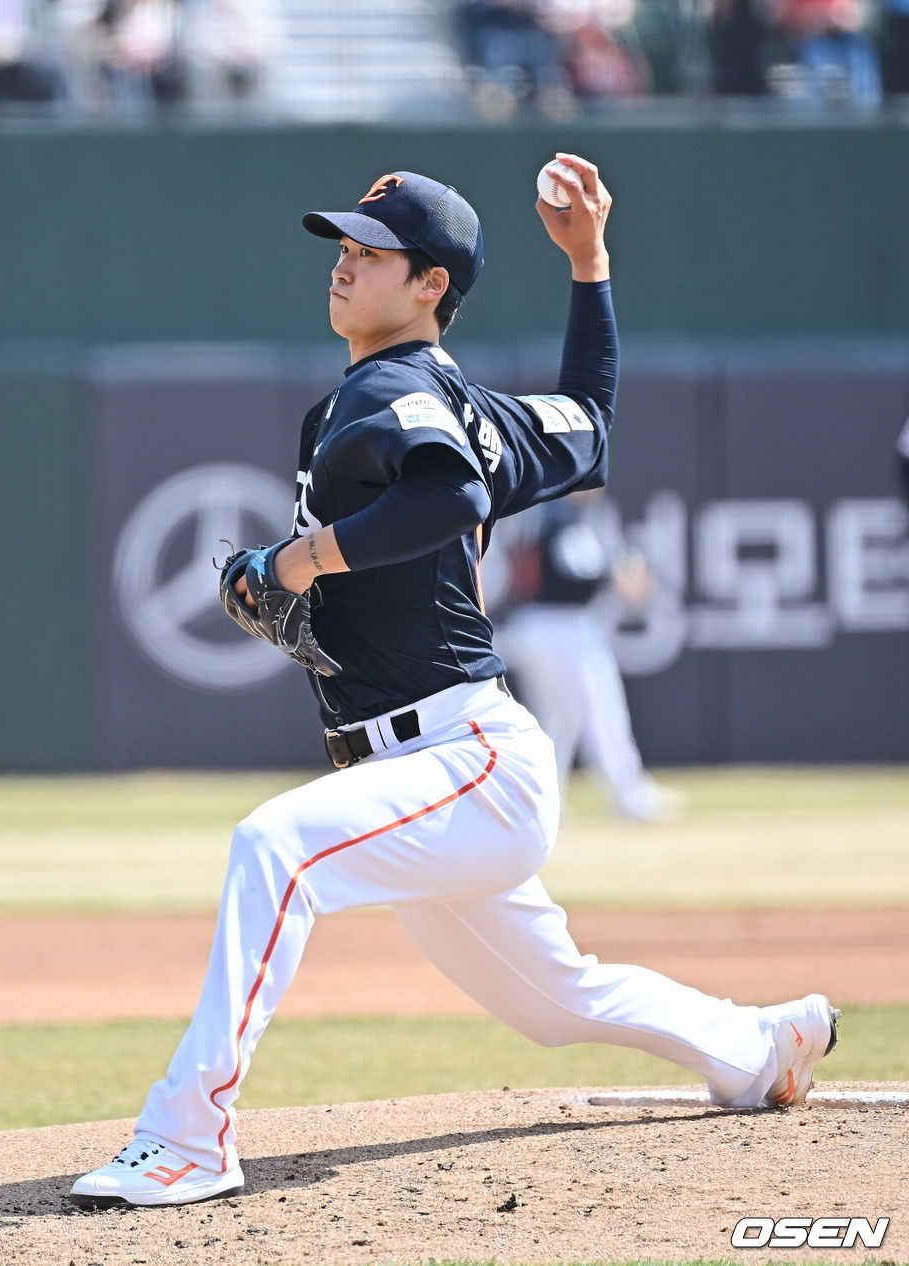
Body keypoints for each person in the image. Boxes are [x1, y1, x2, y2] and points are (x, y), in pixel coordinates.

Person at [70, 156, 839, 1209]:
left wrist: (293, 562)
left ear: (430, 283)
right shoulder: (450, 401)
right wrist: (589, 265)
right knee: (554, 1000)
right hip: (443, 767)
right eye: (341, 248)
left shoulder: (396, 389)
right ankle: (759, 1047)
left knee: (274, 849)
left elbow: (444, 498)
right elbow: (591, 421)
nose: (343, 267)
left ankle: (190, 1132)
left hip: (462, 756)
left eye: (370, 253)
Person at [497, 490, 683, 821]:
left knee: (558, 720)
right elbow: (578, 570)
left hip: (533, 622)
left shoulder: (538, 507)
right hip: (561, 624)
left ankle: (543, 801)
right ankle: (629, 795)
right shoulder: (559, 513)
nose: (598, 487)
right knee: (600, 708)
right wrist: (617, 575)